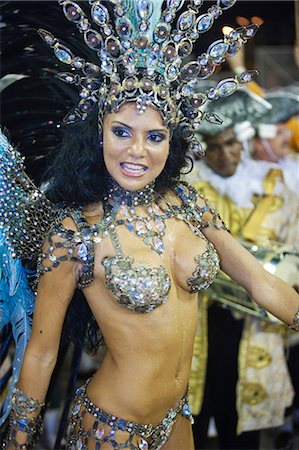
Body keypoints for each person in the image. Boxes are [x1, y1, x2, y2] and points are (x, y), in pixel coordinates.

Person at [1, 2, 299, 450]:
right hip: (112, 429)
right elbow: (42, 352)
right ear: (97, 133)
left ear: (172, 140)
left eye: (155, 136)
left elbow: (258, 280)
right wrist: (18, 442)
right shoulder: (73, 234)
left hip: (178, 421)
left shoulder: (186, 204)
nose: (137, 151)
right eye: (121, 131)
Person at [187, 87, 298, 450]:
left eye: (232, 143)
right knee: (193, 423)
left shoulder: (277, 189)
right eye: (215, 146)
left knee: (243, 432)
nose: (226, 153)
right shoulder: (189, 193)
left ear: (244, 141)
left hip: (255, 329)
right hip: (199, 328)